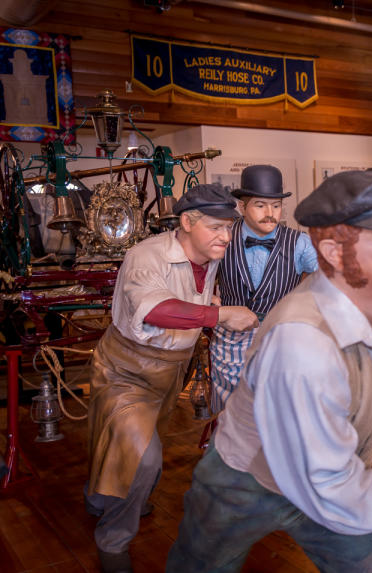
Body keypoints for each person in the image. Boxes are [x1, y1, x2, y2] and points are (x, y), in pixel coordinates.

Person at [167, 169, 372, 572]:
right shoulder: (302, 341)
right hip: (246, 481)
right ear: (332, 253)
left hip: (342, 475)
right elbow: (325, 481)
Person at [84, 182, 259, 573]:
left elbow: (186, 295)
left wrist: (204, 303)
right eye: (216, 227)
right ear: (186, 222)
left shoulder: (207, 254)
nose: (225, 237)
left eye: (229, 228)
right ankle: (112, 540)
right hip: (126, 371)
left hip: (171, 370)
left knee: (127, 448)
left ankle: (105, 498)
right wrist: (220, 314)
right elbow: (154, 309)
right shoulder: (146, 256)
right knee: (143, 457)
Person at [209, 164, 318, 414]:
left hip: (280, 340)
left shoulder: (299, 242)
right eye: (260, 205)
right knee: (231, 414)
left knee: (276, 409)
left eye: (276, 206)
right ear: (242, 206)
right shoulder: (223, 238)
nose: (270, 213)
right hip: (230, 342)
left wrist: (299, 303)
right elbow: (200, 276)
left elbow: (326, 278)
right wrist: (212, 301)